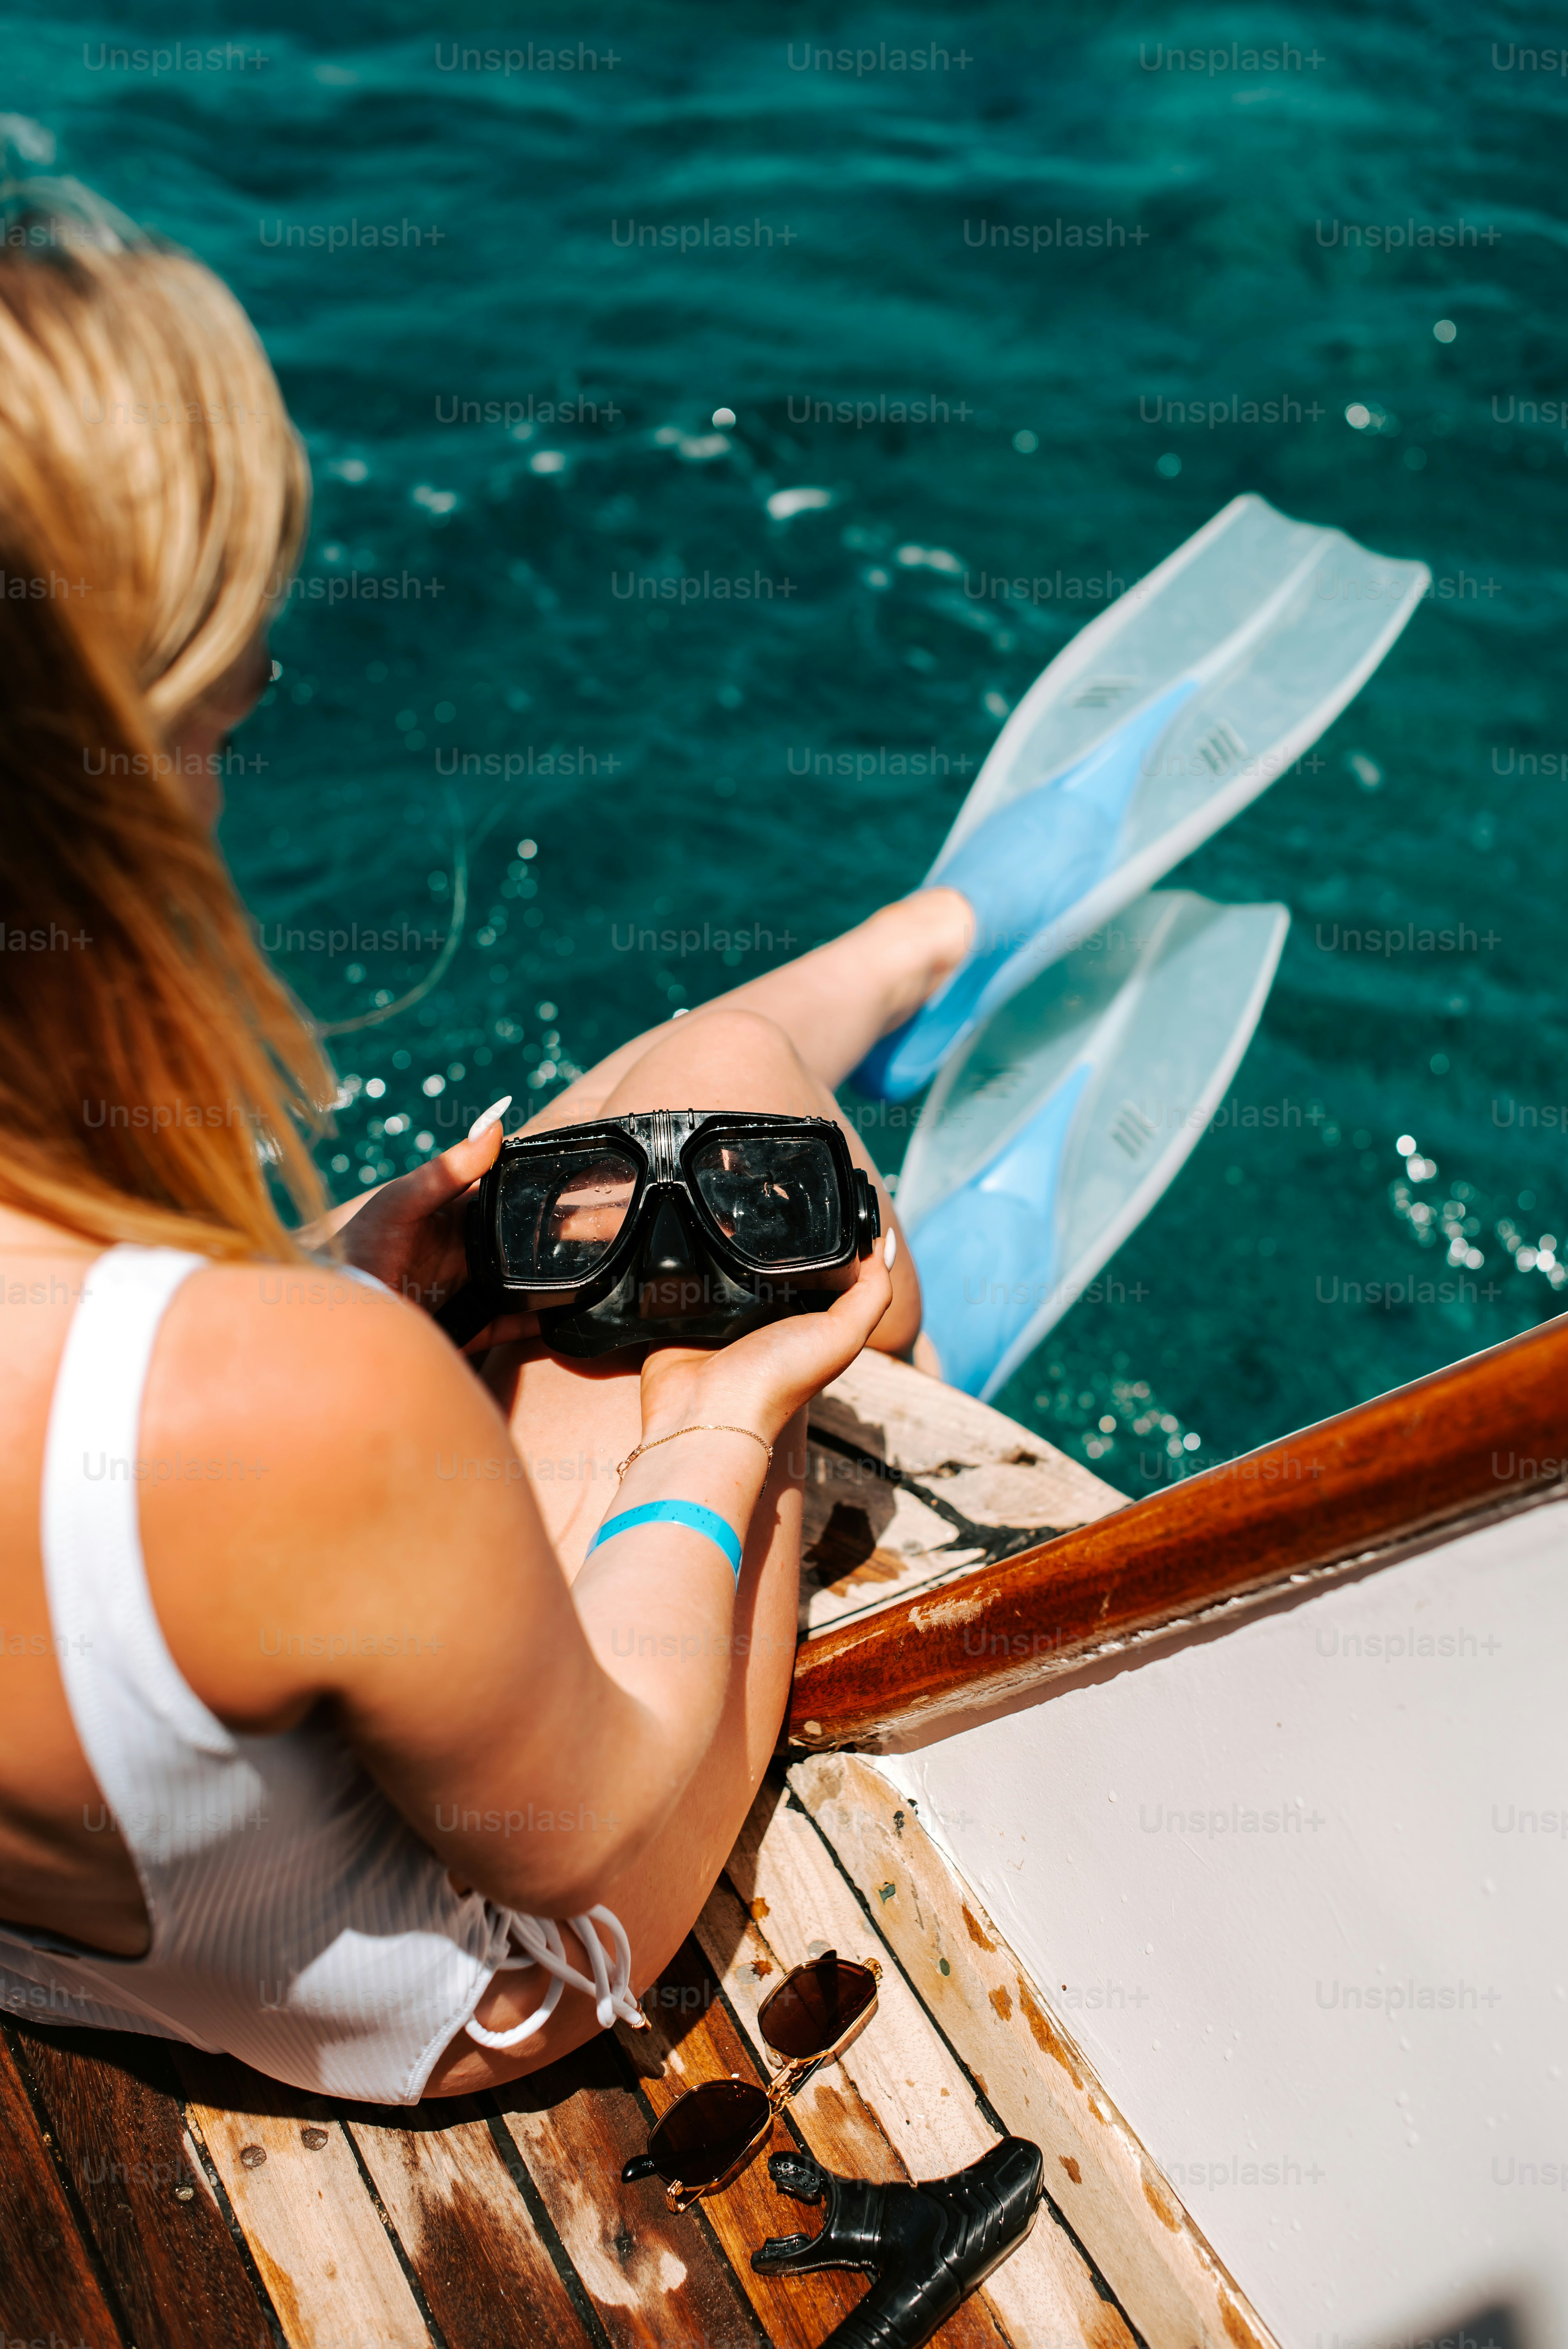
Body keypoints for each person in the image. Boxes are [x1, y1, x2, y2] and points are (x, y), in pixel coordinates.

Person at [0, 193, 977, 2100]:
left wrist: (329, 1285)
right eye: (234, 692)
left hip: (67, 1941)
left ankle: (879, 968)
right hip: (438, 1994)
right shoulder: (294, 1406)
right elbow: (591, 1850)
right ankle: (905, 1266)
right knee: (728, 1168)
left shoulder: (245, 1361)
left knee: (594, 1170)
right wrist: (731, 1416)